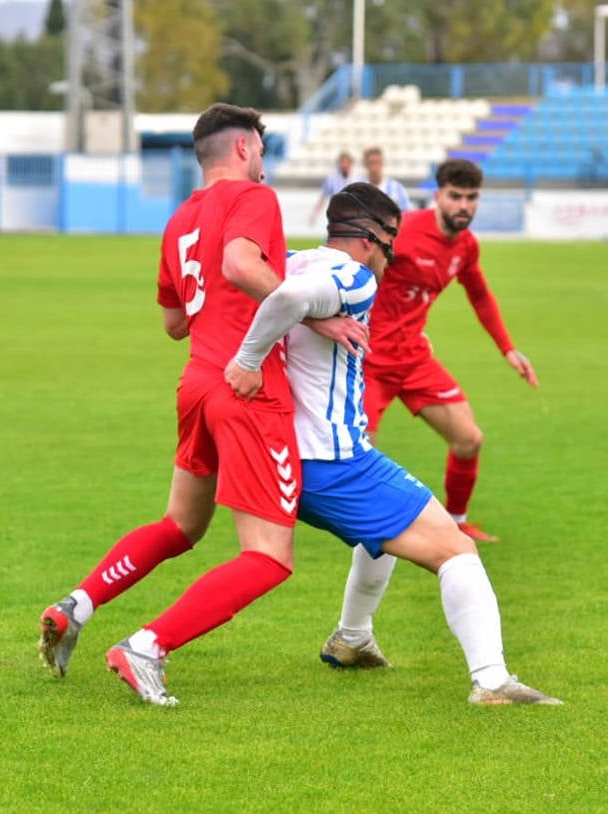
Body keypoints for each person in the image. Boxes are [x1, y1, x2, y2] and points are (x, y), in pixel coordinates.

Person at [223, 182, 561, 706]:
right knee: (456, 549)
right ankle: (492, 681)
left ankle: (352, 639)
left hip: (286, 453)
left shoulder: (292, 260)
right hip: (332, 462)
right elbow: (288, 302)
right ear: (369, 239)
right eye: (390, 246)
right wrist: (246, 362)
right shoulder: (352, 275)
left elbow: (266, 291)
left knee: (382, 535)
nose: (391, 260)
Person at [37, 103, 325, 706]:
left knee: (181, 526)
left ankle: (76, 605)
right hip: (247, 386)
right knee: (269, 557)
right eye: (264, 154)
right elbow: (241, 263)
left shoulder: (180, 219)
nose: (264, 166)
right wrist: (309, 308)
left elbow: (174, 321)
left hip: (196, 382)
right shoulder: (254, 199)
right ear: (245, 149)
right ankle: (147, 645)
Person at [362, 158, 536, 542]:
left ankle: (457, 522)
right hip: (368, 361)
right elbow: (355, 267)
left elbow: (479, 294)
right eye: (455, 196)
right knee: (361, 453)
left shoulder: (466, 246)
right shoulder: (403, 231)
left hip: (413, 359)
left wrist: (508, 349)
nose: (464, 206)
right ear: (438, 196)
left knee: (469, 439)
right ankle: (371, 528)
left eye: (471, 198)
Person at [357, 146, 411, 211]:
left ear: (382, 163)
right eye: (371, 163)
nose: (374, 167)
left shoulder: (396, 188)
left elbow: (407, 212)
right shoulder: (358, 189)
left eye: (377, 162)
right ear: (365, 165)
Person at [309, 151, 355, 226]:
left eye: (347, 162)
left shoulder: (356, 179)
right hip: (336, 216)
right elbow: (323, 198)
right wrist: (315, 214)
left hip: (352, 217)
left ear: (351, 164)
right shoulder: (331, 179)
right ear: (339, 164)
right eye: (342, 162)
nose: (345, 165)